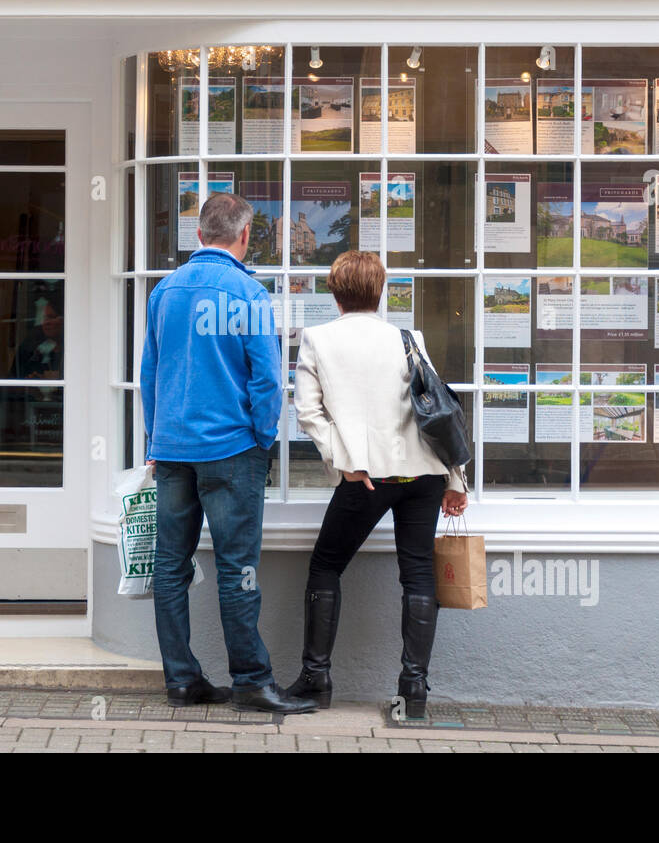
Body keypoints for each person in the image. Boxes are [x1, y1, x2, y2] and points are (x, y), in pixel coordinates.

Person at [141, 192, 318, 715]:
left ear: (198, 235)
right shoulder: (248, 293)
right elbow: (267, 378)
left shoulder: (164, 293)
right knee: (237, 566)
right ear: (244, 236)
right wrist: (262, 439)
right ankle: (251, 681)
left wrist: (155, 436)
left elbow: (148, 373)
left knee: (169, 567)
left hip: (172, 448)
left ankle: (181, 681)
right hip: (232, 448)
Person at [286, 250, 469, 718]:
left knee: (326, 567)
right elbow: (438, 412)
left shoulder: (318, 339)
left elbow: (309, 413)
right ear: (380, 290)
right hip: (422, 475)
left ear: (334, 291)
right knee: (418, 575)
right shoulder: (409, 338)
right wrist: (455, 478)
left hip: (366, 477)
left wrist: (345, 462)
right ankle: (414, 690)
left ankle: (316, 679)